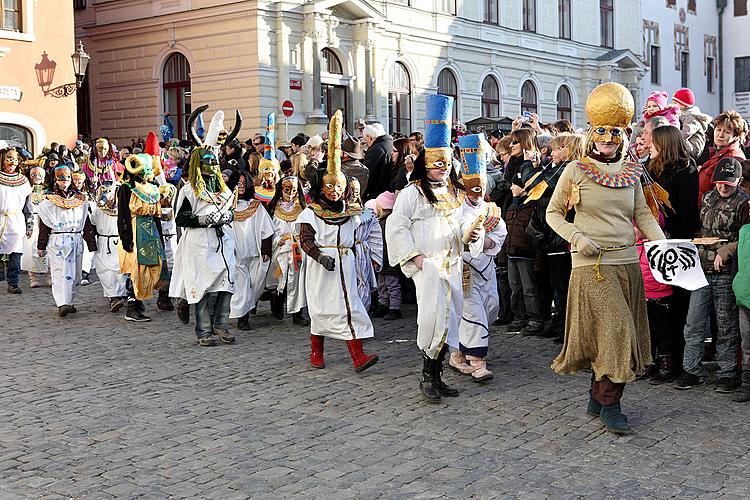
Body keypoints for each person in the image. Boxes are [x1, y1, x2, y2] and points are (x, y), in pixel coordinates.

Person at [546, 82, 665, 435]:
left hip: (626, 263)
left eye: (614, 133)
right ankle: (611, 404)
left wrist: (662, 245)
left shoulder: (631, 172)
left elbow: (643, 216)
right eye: (602, 133)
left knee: (614, 336)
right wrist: (577, 237)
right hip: (591, 267)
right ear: (591, 134)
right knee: (617, 330)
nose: (608, 139)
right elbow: (553, 214)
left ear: (622, 135)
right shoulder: (575, 170)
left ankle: (598, 396)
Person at [386, 94, 479, 403]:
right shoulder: (412, 194)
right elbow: (396, 226)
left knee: (451, 318)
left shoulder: (454, 191)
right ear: (425, 163)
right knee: (431, 318)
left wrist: (472, 232)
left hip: (452, 265)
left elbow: (462, 222)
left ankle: (438, 375)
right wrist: (416, 257)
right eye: (436, 162)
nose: (442, 168)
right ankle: (427, 375)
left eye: (446, 163)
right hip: (428, 267)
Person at [298, 110, 378, 373]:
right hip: (323, 266)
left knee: (350, 307)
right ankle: (315, 351)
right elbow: (306, 240)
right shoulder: (311, 212)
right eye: (330, 187)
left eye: (339, 188)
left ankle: (358, 357)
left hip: (346, 262)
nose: (335, 192)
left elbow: (364, 230)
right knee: (322, 310)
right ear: (322, 188)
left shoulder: (351, 211)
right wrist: (321, 257)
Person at [674, 158, 749, 393]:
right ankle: (691, 369)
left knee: (726, 324)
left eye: (728, 183)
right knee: (693, 322)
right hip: (700, 268)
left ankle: (727, 373)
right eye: (719, 183)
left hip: (725, 271)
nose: (723, 187)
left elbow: (745, 237)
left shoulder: (744, 204)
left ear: (738, 182)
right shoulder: (707, 198)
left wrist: (728, 249)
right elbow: (701, 229)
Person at [170, 105, 242, 346]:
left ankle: (222, 325)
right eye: (207, 162)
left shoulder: (224, 189)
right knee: (201, 287)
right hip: (199, 244)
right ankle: (204, 331)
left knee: (225, 284)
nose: (212, 166)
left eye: (215, 162)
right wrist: (202, 220)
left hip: (221, 241)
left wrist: (227, 217)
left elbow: (231, 211)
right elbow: (180, 218)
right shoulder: (190, 191)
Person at [449, 134, 507, 382]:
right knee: (473, 313)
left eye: (480, 187)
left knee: (490, 309)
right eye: (472, 187)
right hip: (464, 270)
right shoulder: (453, 209)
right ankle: (477, 360)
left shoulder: (491, 210)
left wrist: (485, 241)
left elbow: (499, 234)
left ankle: (459, 349)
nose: (476, 192)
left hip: (487, 268)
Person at [37, 165, 98, 316]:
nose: (65, 182)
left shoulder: (80, 199)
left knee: (76, 273)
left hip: (76, 237)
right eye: (61, 179)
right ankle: (62, 303)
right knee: (60, 272)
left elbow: (86, 222)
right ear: (55, 180)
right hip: (58, 239)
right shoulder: (48, 202)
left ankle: (70, 301)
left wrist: (91, 242)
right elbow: (44, 225)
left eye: (68, 178)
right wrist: (41, 245)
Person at [117, 152, 169, 322]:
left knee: (155, 266)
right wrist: (126, 240)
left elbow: (157, 217)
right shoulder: (126, 188)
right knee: (137, 270)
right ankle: (132, 307)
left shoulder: (153, 188)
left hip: (151, 232)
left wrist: (159, 238)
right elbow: (123, 215)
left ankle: (147, 300)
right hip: (135, 231)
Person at [226, 170, 275, 331]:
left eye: (243, 184)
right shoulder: (225, 206)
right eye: (237, 184)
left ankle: (249, 306)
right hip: (235, 254)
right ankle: (242, 318)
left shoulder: (255, 205)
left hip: (254, 253)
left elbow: (266, 228)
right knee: (241, 286)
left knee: (256, 284)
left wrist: (266, 248)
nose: (240, 187)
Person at [266, 174, 309, 326]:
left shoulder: (303, 209)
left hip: (297, 251)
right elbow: (268, 230)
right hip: (280, 250)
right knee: (281, 279)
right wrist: (278, 240)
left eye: (294, 191)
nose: (290, 194)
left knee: (296, 281)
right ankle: (277, 302)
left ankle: (297, 313)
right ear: (280, 190)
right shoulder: (273, 209)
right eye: (287, 190)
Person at [90, 182, 128, 312]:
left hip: (119, 241)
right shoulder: (97, 211)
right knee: (105, 270)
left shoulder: (124, 209)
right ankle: (113, 297)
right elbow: (93, 226)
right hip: (104, 242)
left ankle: (120, 293)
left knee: (120, 269)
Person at [0, 147, 33, 294]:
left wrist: (29, 223)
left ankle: (13, 282)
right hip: (0, 217)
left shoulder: (23, 180)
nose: (11, 162)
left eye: (14, 159)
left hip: (16, 219)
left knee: (16, 251)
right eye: (8, 158)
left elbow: (28, 205)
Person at [698, 111, 746, 204]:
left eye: (727, 132)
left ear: (735, 136)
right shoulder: (716, 152)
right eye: (718, 129)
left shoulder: (733, 159)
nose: (720, 135)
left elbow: (724, 192)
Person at [349, 177, 382, 312]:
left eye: (356, 191)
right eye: (350, 191)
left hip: (361, 252)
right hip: (343, 252)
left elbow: (375, 234)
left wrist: (375, 256)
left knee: (362, 284)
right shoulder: (335, 213)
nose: (353, 194)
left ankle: (361, 315)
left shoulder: (367, 214)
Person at [369, 191, 401, 320]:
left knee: (392, 285)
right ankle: (384, 304)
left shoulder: (389, 222)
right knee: (382, 283)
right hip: (383, 260)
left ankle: (395, 308)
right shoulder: (381, 222)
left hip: (389, 260)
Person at [21, 165, 50, 288]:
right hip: (31, 221)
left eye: (40, 175)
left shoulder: (48, 192)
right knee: (31, 249)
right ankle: (33, 276)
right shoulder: (25, 190)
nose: (37, 177)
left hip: (45, 221)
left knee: (48, 249)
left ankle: (50, 275)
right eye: (34, 175)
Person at [732, 217, 750, 402]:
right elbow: (738, 262)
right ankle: (747, 384)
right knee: (747, 345)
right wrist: (736, 284)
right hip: (745, 294)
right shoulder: (744, 230)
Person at [671, 88, 712, 160]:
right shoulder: (683, 115)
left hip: (694, 148)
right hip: (689, 145)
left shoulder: (691, 117)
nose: (673, 105)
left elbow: (686, 132)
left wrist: (672, 139)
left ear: (683, 105)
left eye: (675, 103)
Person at [254, 114, 282, 206]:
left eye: (272, 171)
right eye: (266, 171)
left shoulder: (281, 187)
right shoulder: (255, 186)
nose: (269, 174)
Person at [362, 123, 394, 201]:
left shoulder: (375, 150)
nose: (366, 142)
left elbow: (368, 175)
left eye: (366, 139)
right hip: (390, 191)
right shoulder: (391, 144)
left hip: (378, 193)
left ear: (370, 138)